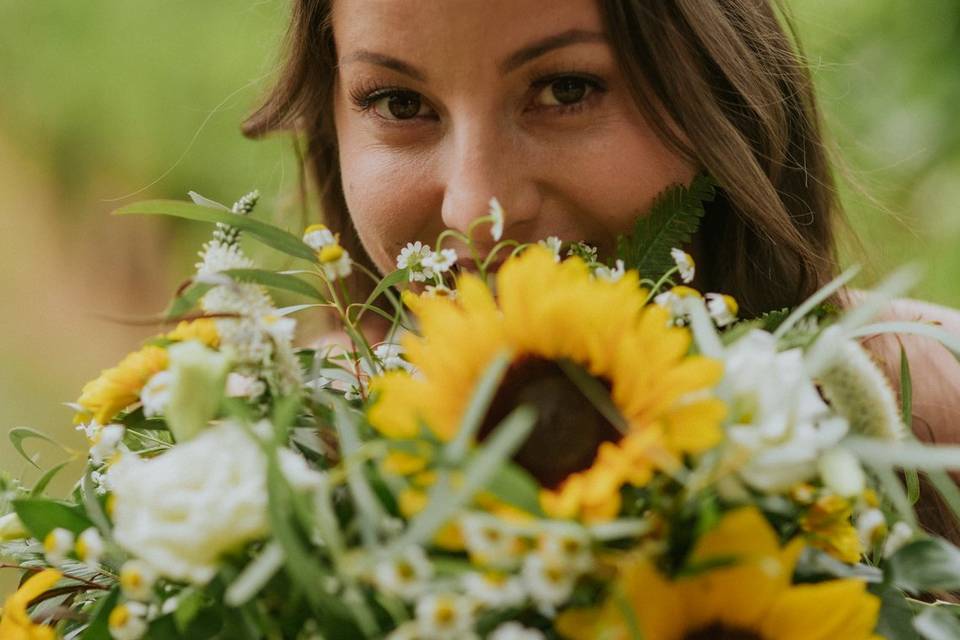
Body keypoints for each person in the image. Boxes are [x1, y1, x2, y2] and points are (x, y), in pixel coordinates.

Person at [242, 1, 960, 536]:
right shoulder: (280, 470)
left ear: (724, 94)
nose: (476, 208)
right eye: (401, 103)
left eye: (565, 90)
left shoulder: (930, 418)